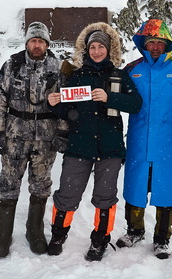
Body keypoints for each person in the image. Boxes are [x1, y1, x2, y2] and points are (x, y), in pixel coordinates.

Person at [46, 22, 143, 261]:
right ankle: (58, 235)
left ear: (109, 49)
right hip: (79, 146)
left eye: (101, 47)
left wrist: (111, 98)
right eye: (92, 47)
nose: (97, 51)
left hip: (110, 148)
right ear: (86, 50)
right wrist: (55, 104)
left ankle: (100, 240)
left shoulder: (119, 76)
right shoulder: (77, 76)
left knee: (105, 196)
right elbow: (67, 111)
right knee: (67, 193)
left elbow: (136, 105)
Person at [119, 19, 172, 259]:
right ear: (143, 44)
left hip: (168, 144)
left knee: (166, 189)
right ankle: (134, 231)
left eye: (160, 42)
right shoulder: (132, 69)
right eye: (151, 42)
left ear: (167, 45)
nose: (155, 47)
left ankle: (162, 239)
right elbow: (111, 90)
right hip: (139, 141)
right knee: (136, 187)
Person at [0, 22, 67, 257]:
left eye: (41, 41)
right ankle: (3, 234)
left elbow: (67, 102)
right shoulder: (12, 65)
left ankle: (35, 231)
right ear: (27, 43)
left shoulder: (59, 67)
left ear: (47, 44)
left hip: (45, 138)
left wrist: (63, 132)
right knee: (8, 184)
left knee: (41, 185)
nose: (37, 45)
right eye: (33, 40)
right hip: (15, 136)